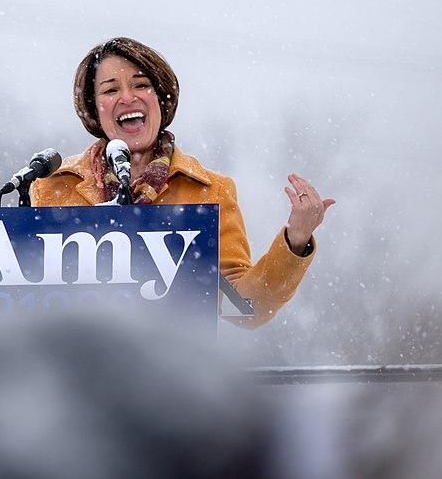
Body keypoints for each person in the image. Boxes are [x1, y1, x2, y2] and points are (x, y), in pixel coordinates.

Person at [32, 37, 334, 329]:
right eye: (110, 90)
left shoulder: (209, 191)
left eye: (141, 85)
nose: (127, 97)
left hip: (170, 373)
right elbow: (28, 300)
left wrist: (296, 239)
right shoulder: (52, 187)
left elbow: (245, 309)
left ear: (161, 98)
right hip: (74, 375)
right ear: (93, 107)